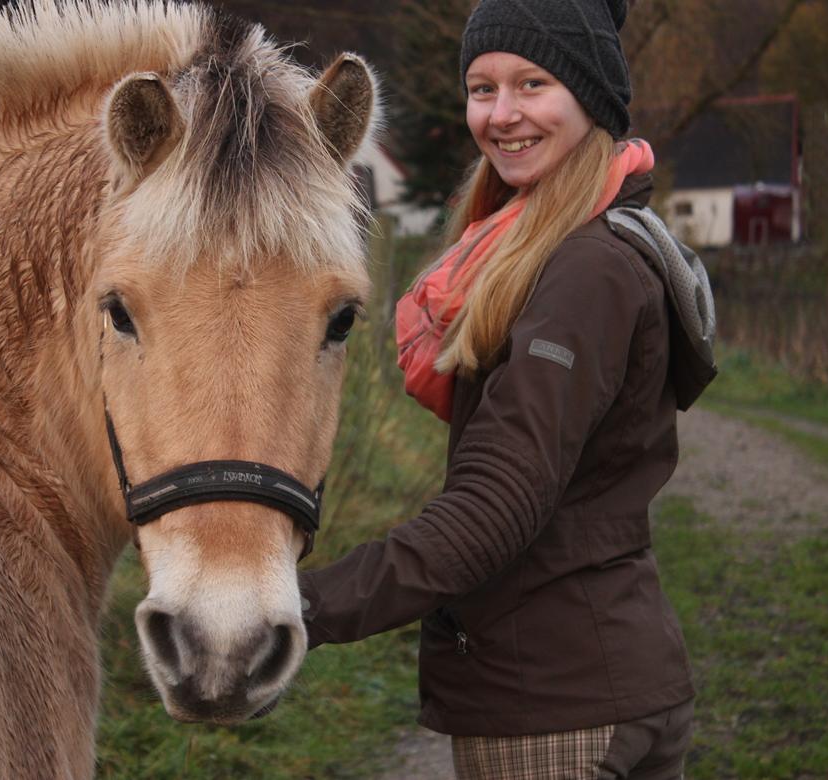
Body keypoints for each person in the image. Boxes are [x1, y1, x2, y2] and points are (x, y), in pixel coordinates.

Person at [298, 0, 718, 777]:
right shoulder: (550, 246)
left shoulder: (583, 270)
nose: (502, 115)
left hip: (559, 716)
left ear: (590, 99)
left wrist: (303, 608)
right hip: (597, 684)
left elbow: (498, 506)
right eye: (482, 88)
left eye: (532, 84)